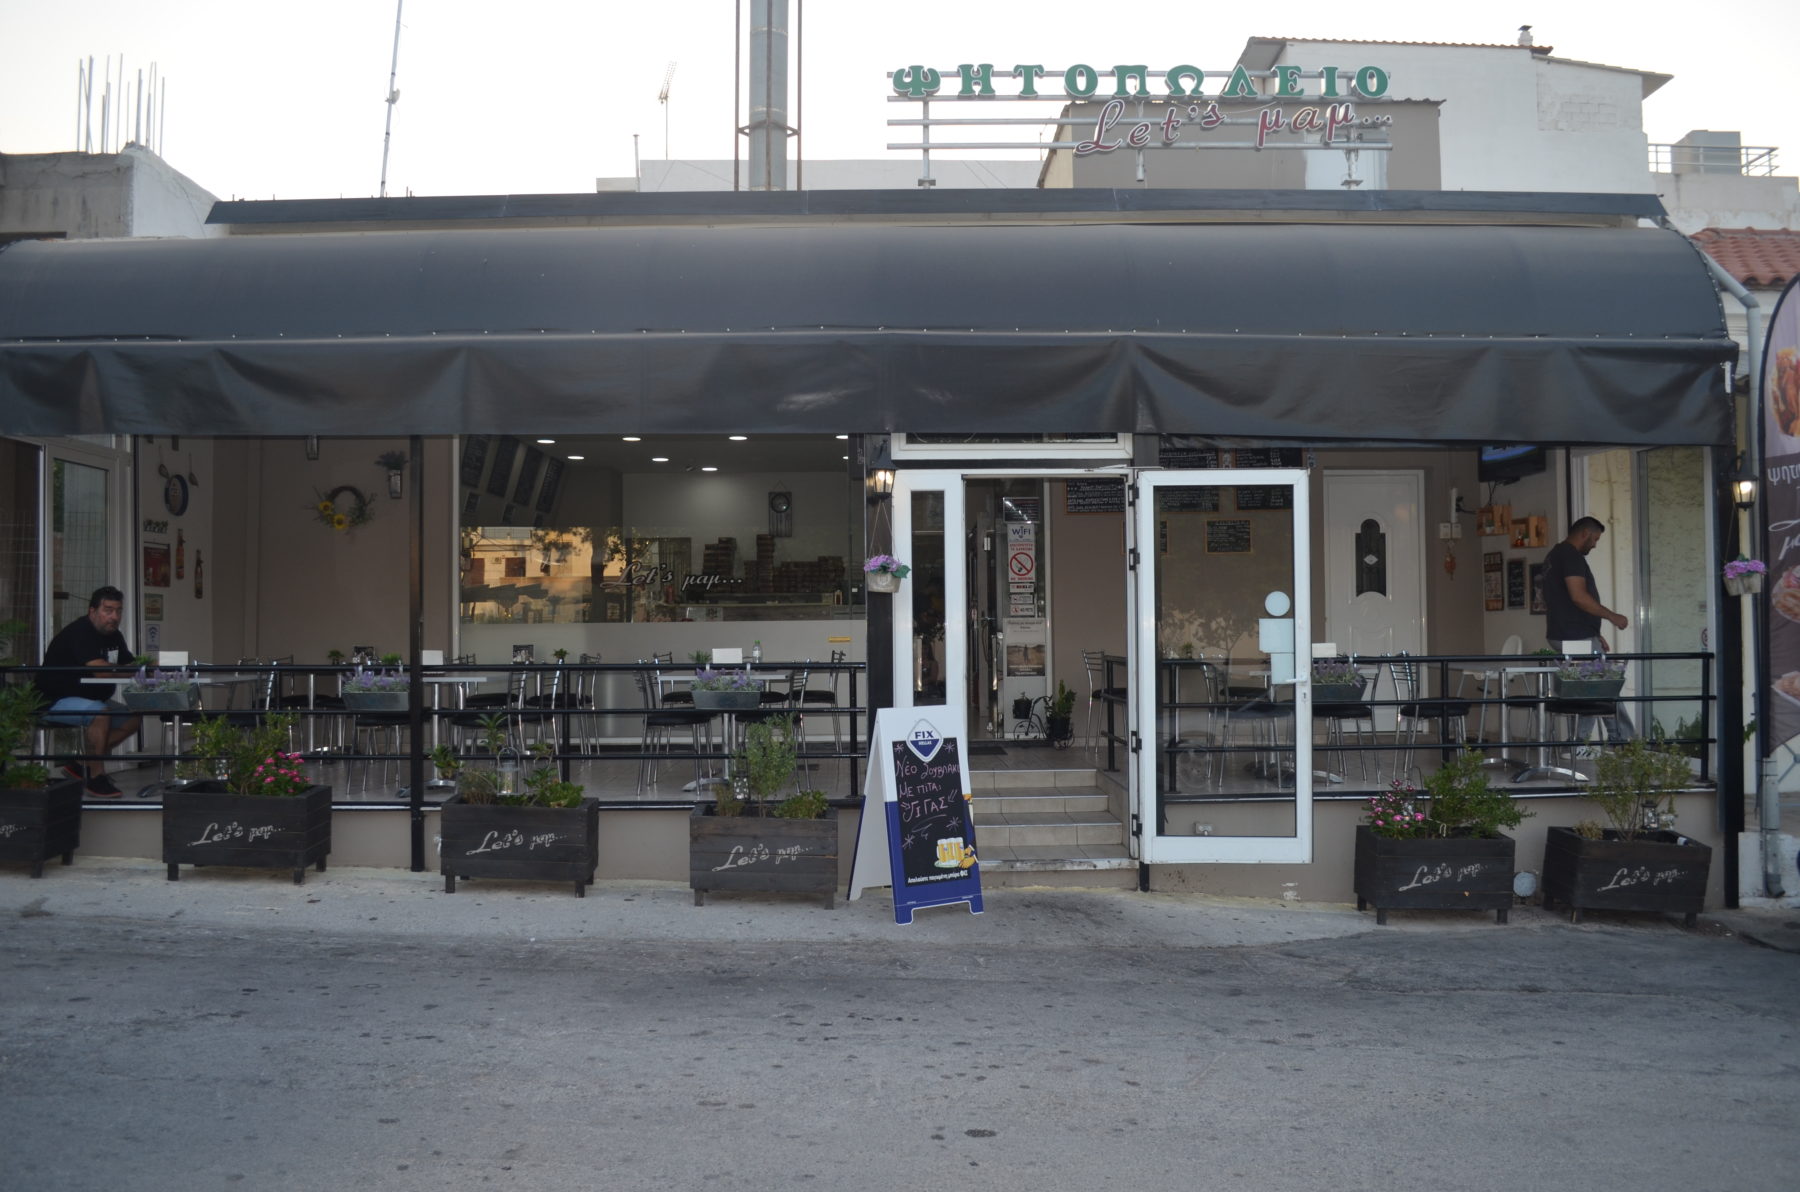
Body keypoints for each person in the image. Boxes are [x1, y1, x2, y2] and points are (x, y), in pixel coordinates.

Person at [34, 585, 141, 797]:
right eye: (108, 610)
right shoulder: (80, 632)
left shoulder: (114, 635)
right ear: (92, 611)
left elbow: (131, 665)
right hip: (53, 701)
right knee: (100, 714)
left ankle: (82, 764)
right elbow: (102, 672)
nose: (114, 617)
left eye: (118, 610)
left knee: (133, 719)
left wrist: (152, 665)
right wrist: (131, 670)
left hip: (91, 699)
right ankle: (96, 777)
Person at [1540, 516, 1633, 741]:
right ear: (1585, 533)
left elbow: (1563, 601)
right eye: (1595, 539)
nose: (1595, 545)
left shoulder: (1554, 555)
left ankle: (1585, 741)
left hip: (1565, 633)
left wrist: (1594, 633)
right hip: (1575, 635)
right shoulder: (1571, 556)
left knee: (1591, 687)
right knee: (1601, 687)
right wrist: (1612, 617)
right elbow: (1578, 597)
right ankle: (1618, 739)